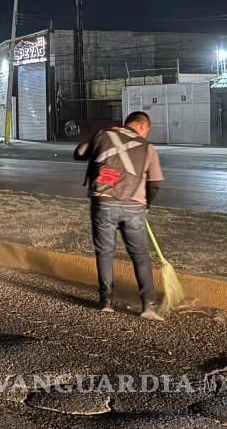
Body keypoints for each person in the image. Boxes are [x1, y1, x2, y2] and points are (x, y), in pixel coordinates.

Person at [74, 111, 165, 321]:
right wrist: (146, 205)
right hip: (134, 206)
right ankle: (148, 305)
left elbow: (79, 153)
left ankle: (106, 301)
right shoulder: (148, 147)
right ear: (142, 126)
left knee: (105, 252)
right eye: (147, 130)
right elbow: (155, 183)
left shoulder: (104, 135)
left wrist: (97, 135)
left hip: (103, 202)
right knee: (140, 256)